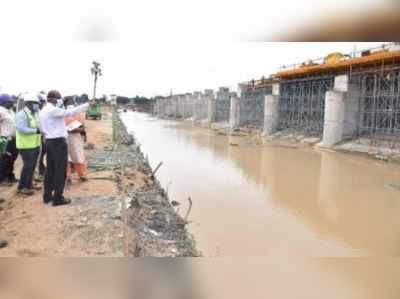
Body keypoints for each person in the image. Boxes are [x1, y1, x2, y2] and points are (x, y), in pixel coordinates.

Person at [39, 90, 89, 206]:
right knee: (60, 170)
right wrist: (86, 105)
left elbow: (42, 129)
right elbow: (70, 112)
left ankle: (47, 196)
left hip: (49, 141)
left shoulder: (43, 111)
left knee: (50, 170)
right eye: (58, 98)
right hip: (58, 143)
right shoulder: (52, 110)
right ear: (53, 99)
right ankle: (58, 198)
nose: (59, 101)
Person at [15, 93, 42, 195]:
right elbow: (21, 129)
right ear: (29, 104)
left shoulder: (33, 114)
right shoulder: (21, 114)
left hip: (34, 144)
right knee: (28, 166)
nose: (37, 105)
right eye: (35, 103)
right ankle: (22, 187)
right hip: (25, 146)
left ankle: (29, 184)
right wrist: (36, 131)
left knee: (32, 165)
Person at [64, 97, 88, 183]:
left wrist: (82, 133)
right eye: (68, 102)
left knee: (78, 156)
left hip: (75, 137)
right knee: (68, 157)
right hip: (66, 137)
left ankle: (81, 174)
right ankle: (68, 176)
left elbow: (83, 127)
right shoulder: (62, 113)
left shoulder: (79, 113)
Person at [0, 93, 18, 186]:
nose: (12, 103)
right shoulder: (1, 111)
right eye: (9, 102)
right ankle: (2, 179)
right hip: (4, 139)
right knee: (4, 160)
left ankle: (10, 176)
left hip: (14, 139)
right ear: (3, 102)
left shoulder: (11, 111)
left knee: (12, 159)